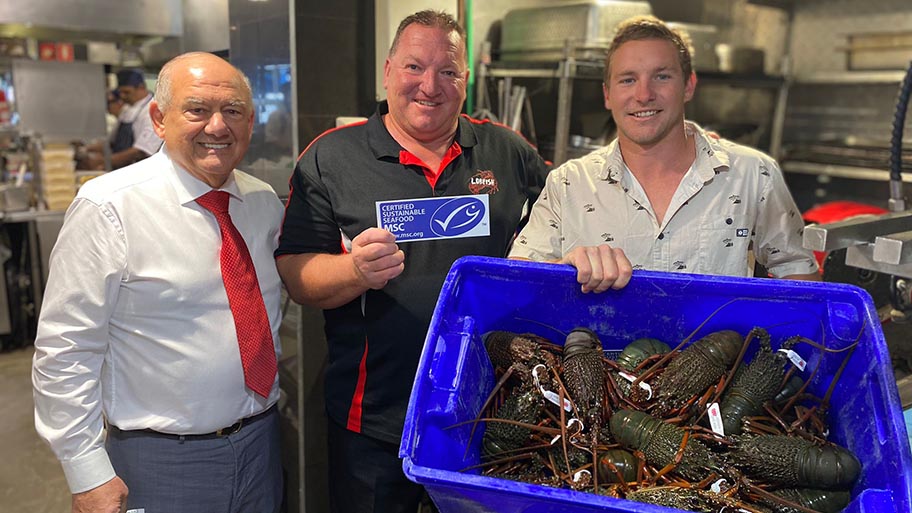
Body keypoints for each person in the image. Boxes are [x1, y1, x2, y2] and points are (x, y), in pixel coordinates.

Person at [275, 10, 549, 513]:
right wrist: (353, 271)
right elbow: (296, 272)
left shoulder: (506, 151)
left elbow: (566, 214)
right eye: (414, 67)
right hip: (374, 419)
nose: (430, 86)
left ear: (465, 80)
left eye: (448, 72)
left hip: (492, 412)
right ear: (387, 72)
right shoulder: (332, 157)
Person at [33, 52, 285, 513]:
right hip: (159, 460)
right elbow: (65, 349)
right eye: (197, 109)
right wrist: (86, 471)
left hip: (262, 445)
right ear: (158, 118)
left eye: (232, 111)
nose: (217, 126)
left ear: (251, 122)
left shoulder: (262, 202)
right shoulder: (108, 208)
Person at [508, 15, 819, 291]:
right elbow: (515, 285)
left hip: (719, 356)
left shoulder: (752, 174)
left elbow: (801, 279)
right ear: (608, 94)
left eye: (662, 76)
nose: (644, 95)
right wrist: (564, 267)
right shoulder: (568, 184)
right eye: (628, 80)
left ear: (688, 86)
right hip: (596, 356)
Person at [81, 69, 163, 170]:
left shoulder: (152, 111)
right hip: (122, 169)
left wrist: (104, 161)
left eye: (127, 92)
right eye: (121, 92)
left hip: (140, 171)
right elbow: (111, 142)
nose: (123, 96)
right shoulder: (127, 109)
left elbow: (140, 151)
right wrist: (85, 149)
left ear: (141, 87)